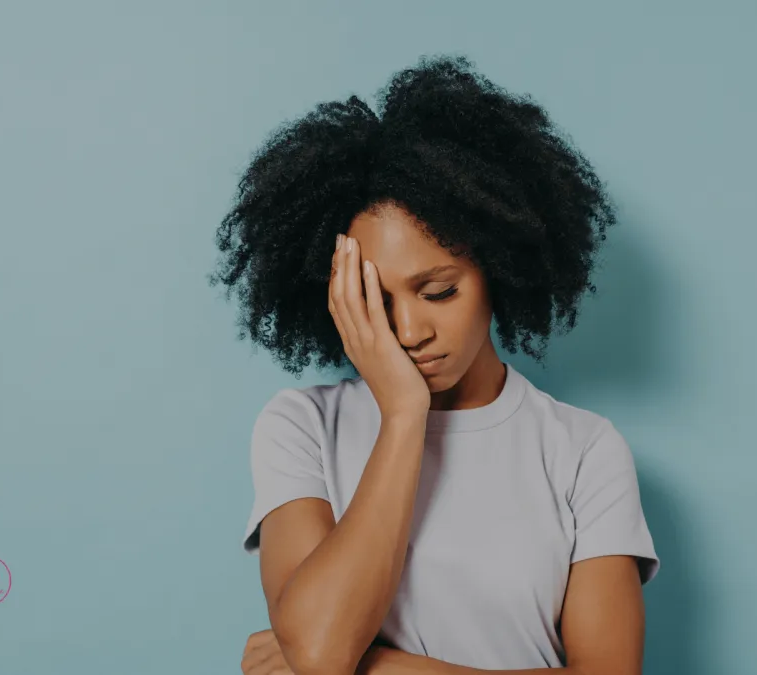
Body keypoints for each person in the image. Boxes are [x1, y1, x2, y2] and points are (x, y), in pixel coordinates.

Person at [210, 54, 660, 674]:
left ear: (498, 268)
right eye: (375, 300)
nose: (411, 331)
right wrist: (402, 415)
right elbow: (319, 647)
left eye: (439, 291)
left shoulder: (583, 451)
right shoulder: (303, 427)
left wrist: (380, 668)